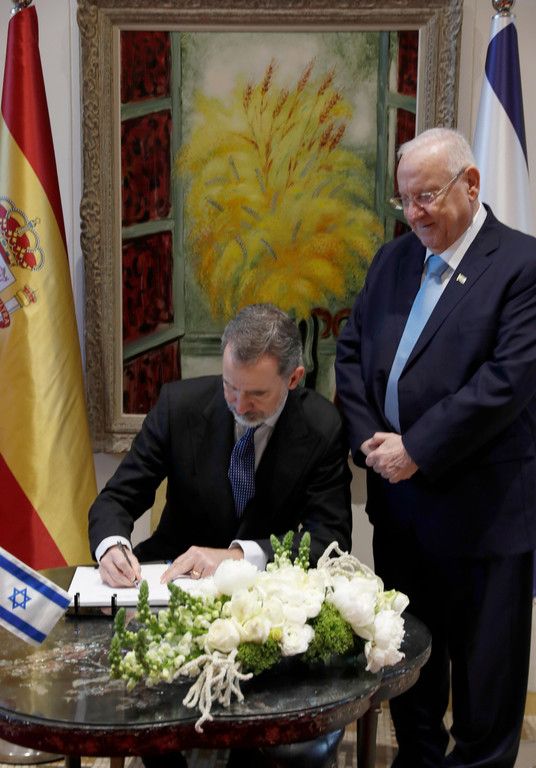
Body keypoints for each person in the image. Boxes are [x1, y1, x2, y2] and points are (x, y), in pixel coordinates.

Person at [335, 127, 536, 768]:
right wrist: (372, 443)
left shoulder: (522, 265)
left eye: (426, 196)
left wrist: (416, 447)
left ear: (470, 184)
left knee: (486, 693)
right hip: (402, 513)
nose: (414, 214)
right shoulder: (393, 260)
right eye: (405, 200)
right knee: (410, 672)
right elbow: (351, 352)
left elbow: (505, 383)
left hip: (485, 519)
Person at [89, 302, 352, 768]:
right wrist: (112, 546)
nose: (239, 404)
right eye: (230, 385)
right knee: (150, 723)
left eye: (256, 393)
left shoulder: (322, 428)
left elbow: (329, 540)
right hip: (174, 588)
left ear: (293, 379)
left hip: (266, 607)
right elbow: (117, 499)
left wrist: (236, 556)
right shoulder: (179, 406)